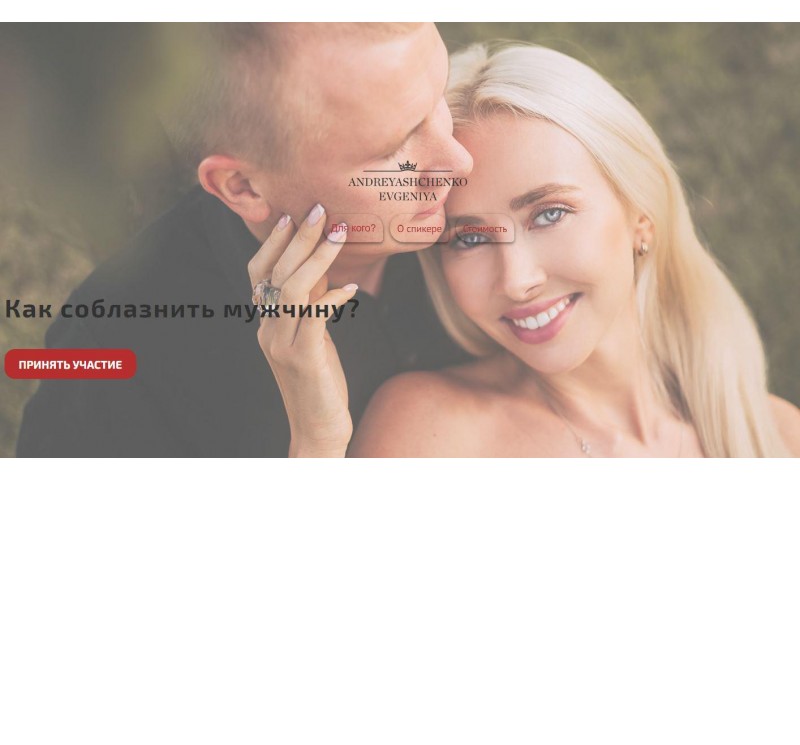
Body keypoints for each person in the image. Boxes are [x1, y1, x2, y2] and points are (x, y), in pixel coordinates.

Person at [264, 41, 800, 457]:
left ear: (641, 215)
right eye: (469, 238)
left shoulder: (777, 435)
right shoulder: (432, 429)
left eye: (549, 214)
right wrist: (317, 442)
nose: (517, 281)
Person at [16, 23, 472, 457]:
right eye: (393, 149)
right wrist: (316, 445)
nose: (459, 163)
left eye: (438, 97)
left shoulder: (497, 178)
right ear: (243, 187)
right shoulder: (112, 352)